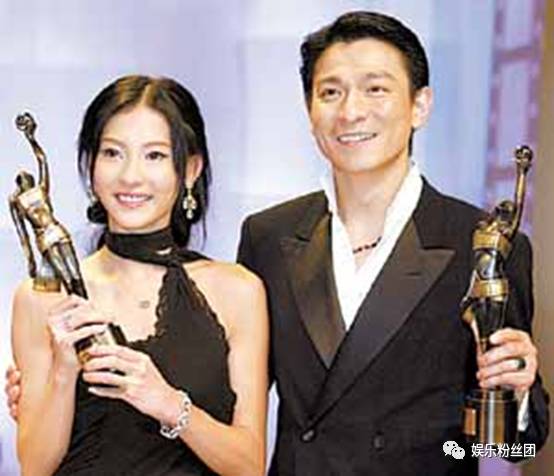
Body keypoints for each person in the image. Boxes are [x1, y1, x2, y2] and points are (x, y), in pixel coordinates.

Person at [236, 11, 549, 475]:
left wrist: (515, 392)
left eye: (375, 89)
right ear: (309, 110)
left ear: (420, 105)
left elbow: (518, 450)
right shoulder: (268, 236)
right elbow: (236, 408)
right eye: (330, 92)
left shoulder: (484, 244)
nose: (350, 111)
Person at [7, 75, 268, 476]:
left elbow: (249, 466)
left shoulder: (238, 291)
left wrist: (168, 403)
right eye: (113, 153)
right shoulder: (41, 297)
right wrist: (63, 371)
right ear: (91, 164)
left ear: (191, 169)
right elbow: (35, 467)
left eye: (155, 156)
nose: (130, 176)